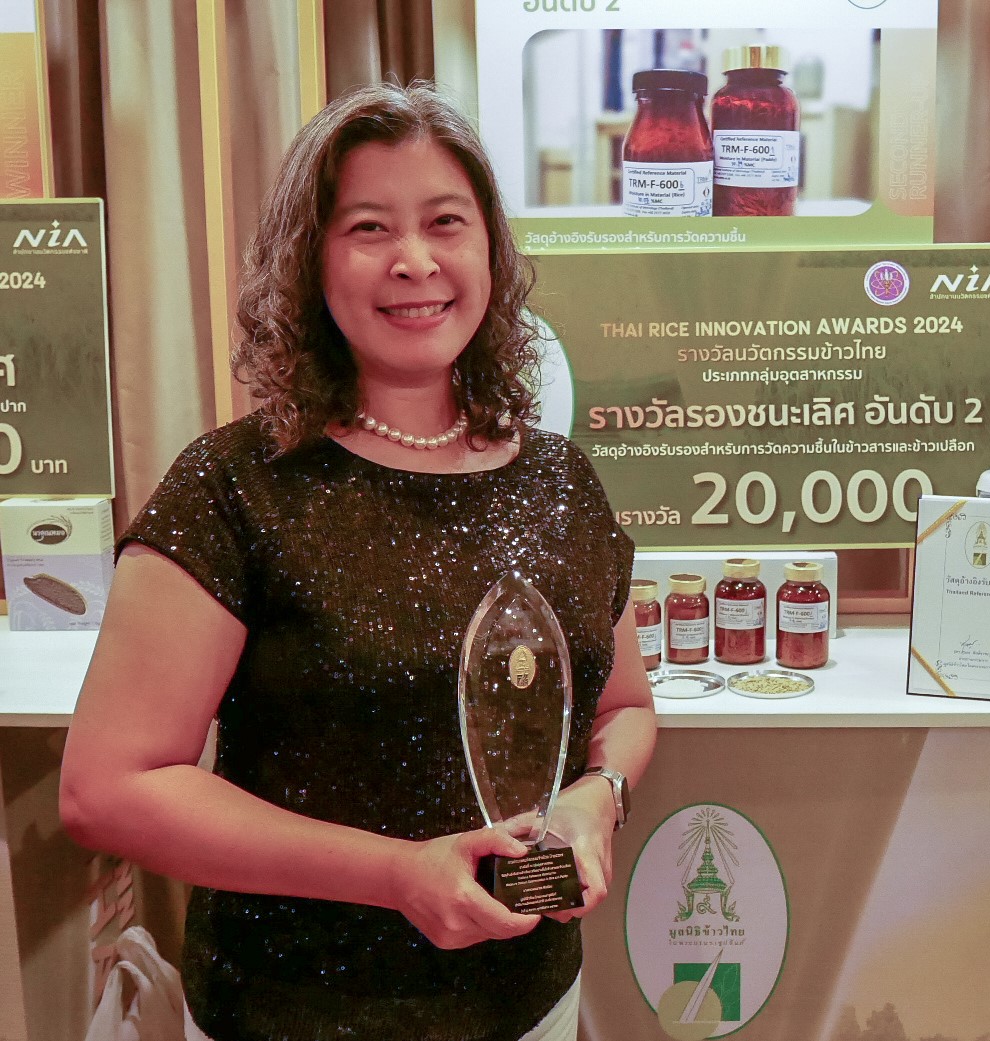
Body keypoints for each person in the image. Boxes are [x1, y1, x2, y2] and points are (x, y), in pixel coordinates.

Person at [59, 81, 656, 1041]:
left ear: (491, 252)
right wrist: (396, 875)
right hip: (296, 1011)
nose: (415, 260)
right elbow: (106, 789)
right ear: (312, 261)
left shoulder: (561, 479)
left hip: (531, 1003)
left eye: (446, 222)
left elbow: (624, 706)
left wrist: (600, 795)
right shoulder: (235, 487)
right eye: (369, 227)